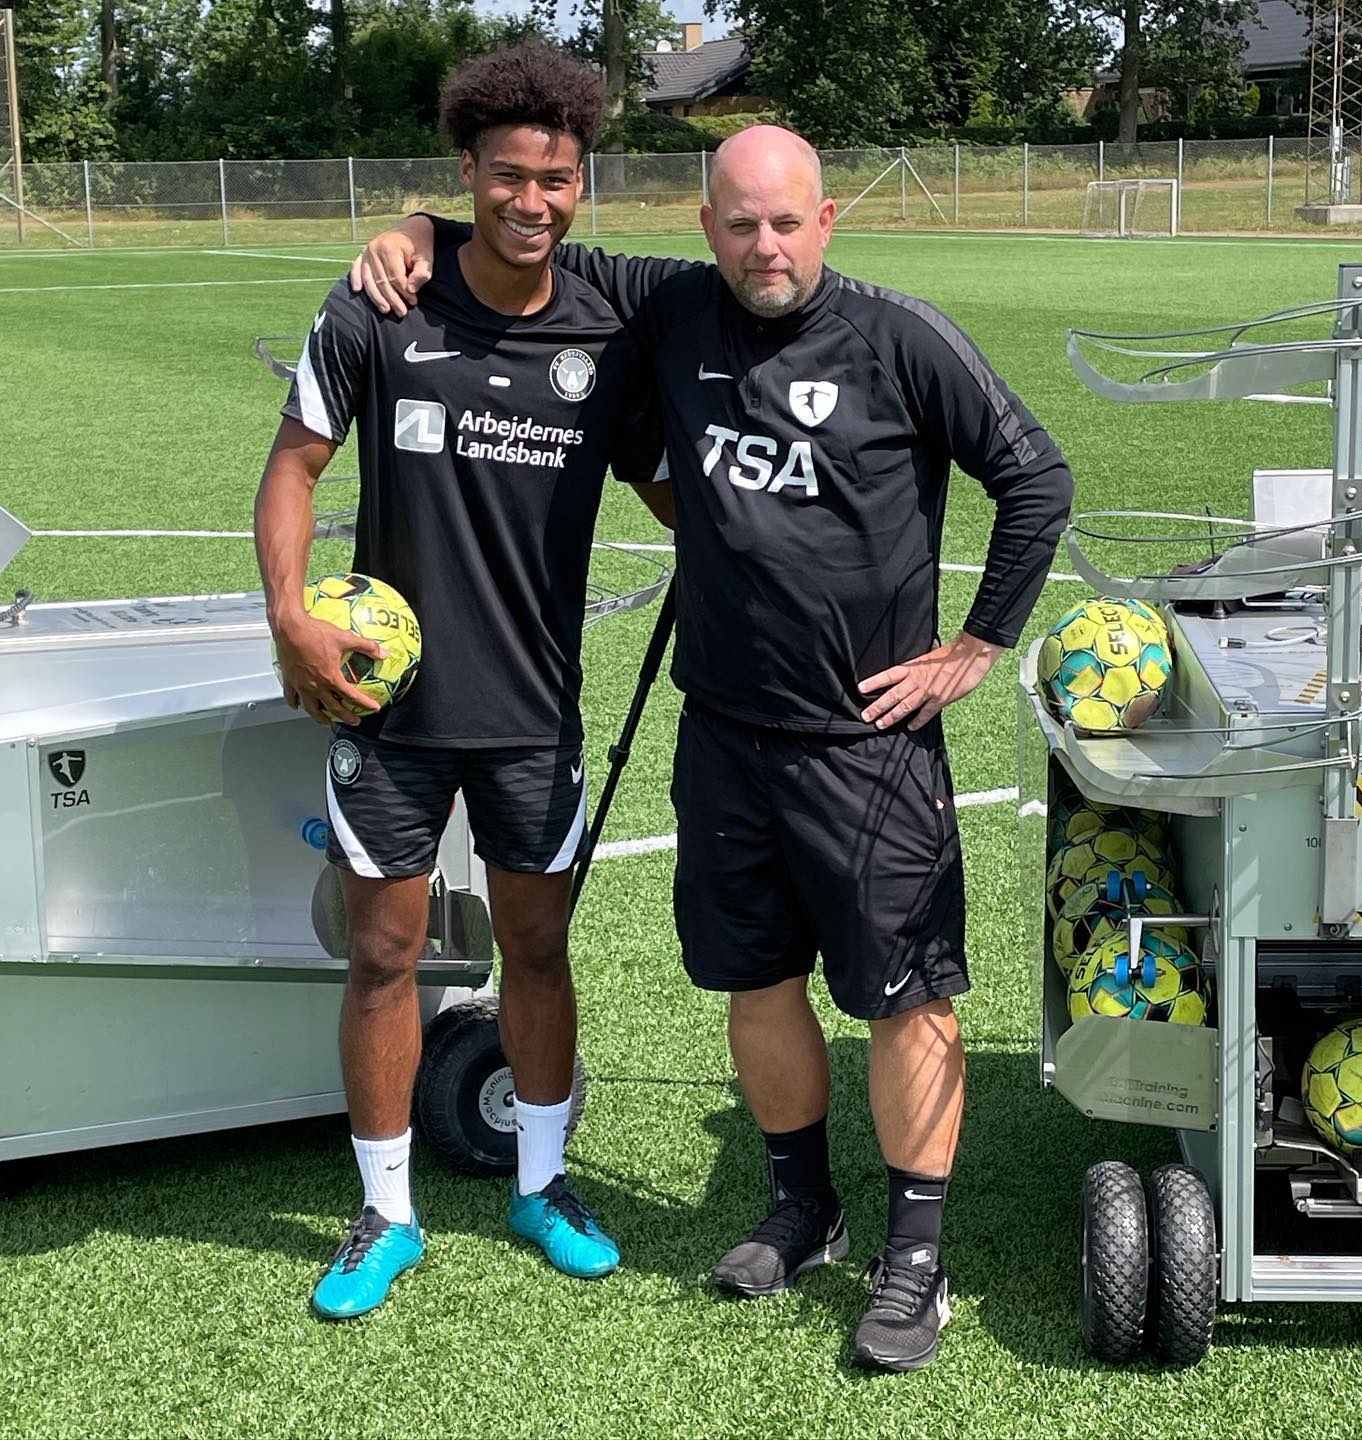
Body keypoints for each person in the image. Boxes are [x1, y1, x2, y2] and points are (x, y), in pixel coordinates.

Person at [352, 125, 1073, 1371]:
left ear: (827, 219)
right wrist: (423, 228)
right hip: (726, 732)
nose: (765, 245)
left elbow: (1034, 475)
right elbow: (531, 234)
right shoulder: (675, 304)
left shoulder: (901, 339)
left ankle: (917, 1261)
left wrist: (978, 644)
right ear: (707, 229)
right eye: (740, 223)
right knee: (756, 979)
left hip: (869, 743)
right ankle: (805, 1206)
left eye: (787, 221)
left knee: (907, 999)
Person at [255, 41, 669, 1321]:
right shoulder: (381, 304)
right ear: (466, 174)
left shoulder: (609, 320)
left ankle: (543, 1185)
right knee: (381, 956)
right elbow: (293, 469)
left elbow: (673, 491)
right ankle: (384, 1213)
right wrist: (288, 618)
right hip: (387, 709)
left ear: (582, 183)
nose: (530, 201)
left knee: (538, 949)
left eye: (555, 178)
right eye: (505, 177)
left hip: (535, 711)